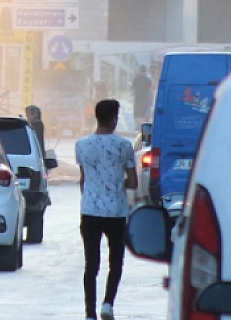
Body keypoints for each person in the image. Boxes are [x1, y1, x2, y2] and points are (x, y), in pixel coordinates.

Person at [76, 99, 137, 320]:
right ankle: (108, 304)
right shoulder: (123, 146)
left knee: (91, 264)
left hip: (90, 210)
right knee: (115, 261)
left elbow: (83, 180)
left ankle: (89, 313)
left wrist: (93, 192)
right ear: (113, 119)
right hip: (116, 212)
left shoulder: (81, 145)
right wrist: (116, 183)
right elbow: (133, 182)